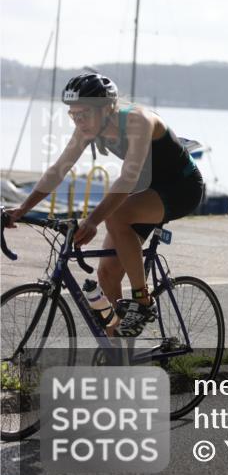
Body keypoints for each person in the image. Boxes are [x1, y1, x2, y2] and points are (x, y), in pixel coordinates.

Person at [4, 73, 204, 337]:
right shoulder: (88, 127)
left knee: (116, 216)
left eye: (84, 113)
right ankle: (119, 354)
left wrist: (92, 221)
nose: (79, 120)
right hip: (146, 191)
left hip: (181, 188)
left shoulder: (138, 120)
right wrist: (23, 209)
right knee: (107, 274)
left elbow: (127, 178)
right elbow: (58, 171)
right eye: (73, 114)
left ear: (107, 107)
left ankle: (143, 301)